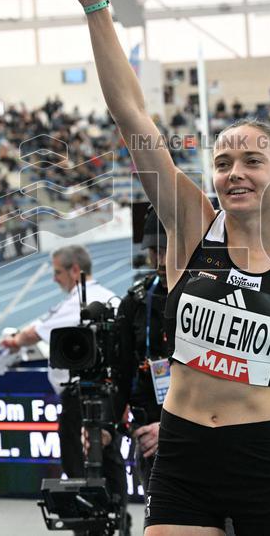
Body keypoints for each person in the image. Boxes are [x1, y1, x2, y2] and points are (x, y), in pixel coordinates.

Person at [62, 0, 270, 535]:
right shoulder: (190, 225)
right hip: (183, 456)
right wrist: (95, 4)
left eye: (251, 159)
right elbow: (131, 114)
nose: (234, 172)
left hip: (264, 459)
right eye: (223, 162)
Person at [0, 245, 125, 502]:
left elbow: (35, 332)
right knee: (110, 457)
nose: (55, 279)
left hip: (79, 399)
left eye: (57, 272)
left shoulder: (78, 303)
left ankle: (88, 519)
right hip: (112, 396)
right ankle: (119, 515)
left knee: (78, 464)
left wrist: (13, 340)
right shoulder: (111, 297)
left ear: (74, 270)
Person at [114, 210, 172, 495]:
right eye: (153, 251)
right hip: (150, 441)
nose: (159, 261)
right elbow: (121, 374)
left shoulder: (214, 299)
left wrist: (172, 431)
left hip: (206, 444)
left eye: (167, 250)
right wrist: (104, 427)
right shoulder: (133, 304)